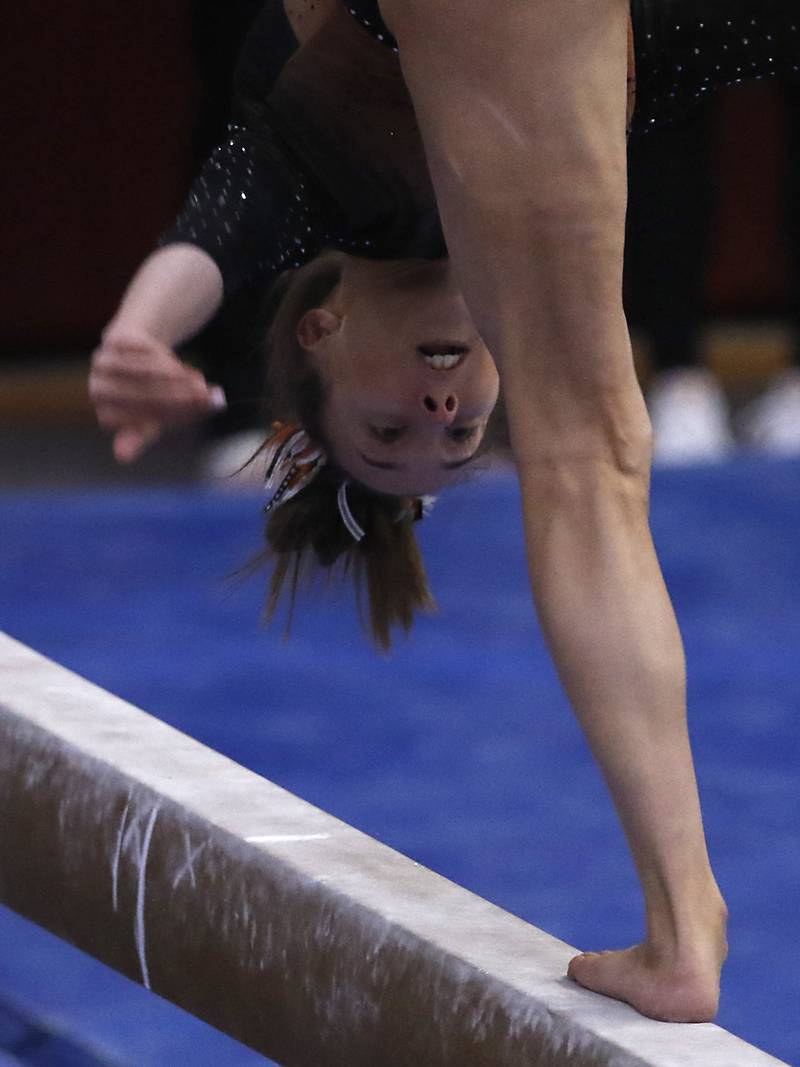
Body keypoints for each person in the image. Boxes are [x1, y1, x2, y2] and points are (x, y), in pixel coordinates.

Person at [90, 0, 799, 1024]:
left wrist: (137, 333)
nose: (439, 412)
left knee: (586, 460)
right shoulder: (584, 106)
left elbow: (210, 232)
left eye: (387, 434)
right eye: (458, 437)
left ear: (320, 339)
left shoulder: (311, 165)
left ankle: (685, 925)